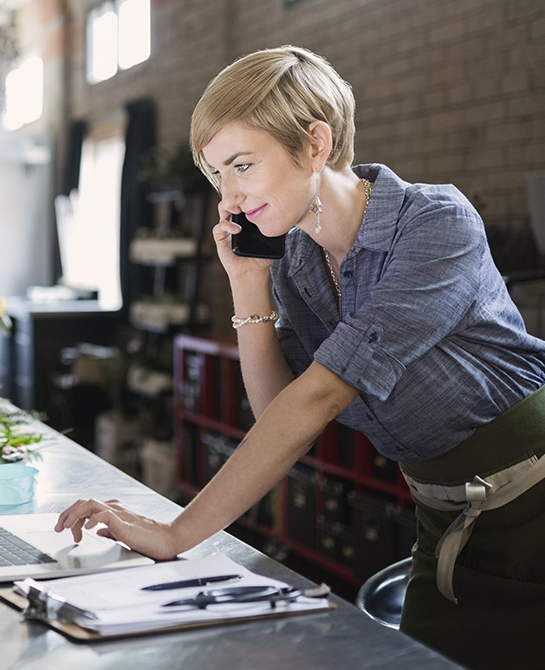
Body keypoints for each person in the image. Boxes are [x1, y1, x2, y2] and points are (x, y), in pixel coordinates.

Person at [56, 45, 545, 669]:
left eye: (242, 166)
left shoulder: (434, 224)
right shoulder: (297, 260)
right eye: (215, 175)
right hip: (445, 516)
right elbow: (279, 412)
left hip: (534, 502)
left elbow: (319, 397)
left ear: (315, 143)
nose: (227, 197)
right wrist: (247, 283)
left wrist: (179, 532)